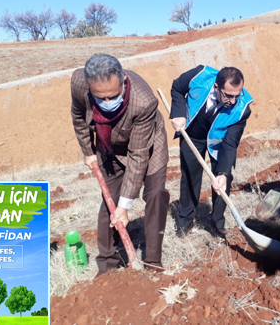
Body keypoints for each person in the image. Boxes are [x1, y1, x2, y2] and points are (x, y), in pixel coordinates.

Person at [71, 54, 169, 274]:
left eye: (113, 96)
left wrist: (126, 206)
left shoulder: (144, 102)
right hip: (109, 147)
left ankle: (153, 261)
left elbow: (137, 155)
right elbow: (78, 116)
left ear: (123, 80)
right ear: (89, 86)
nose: (107, 103)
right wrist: (88, 151)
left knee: (156, 195)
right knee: (110, 202)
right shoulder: (78, 82)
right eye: (100, 98)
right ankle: (107, 265)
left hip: (147, 146)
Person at [169, 65, 252, 238]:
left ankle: (217, 222)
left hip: (219, 141)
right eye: (228, 95)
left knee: (224, 179)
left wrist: (223, 172)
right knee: (190, 176)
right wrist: (178, 113)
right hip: (192, 133)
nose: (233, 101)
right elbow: (177, 87)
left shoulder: (242, 108)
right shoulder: (199, 76)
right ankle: (185, 221)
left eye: (238, 95)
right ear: (216, 87)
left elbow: (230, 144)